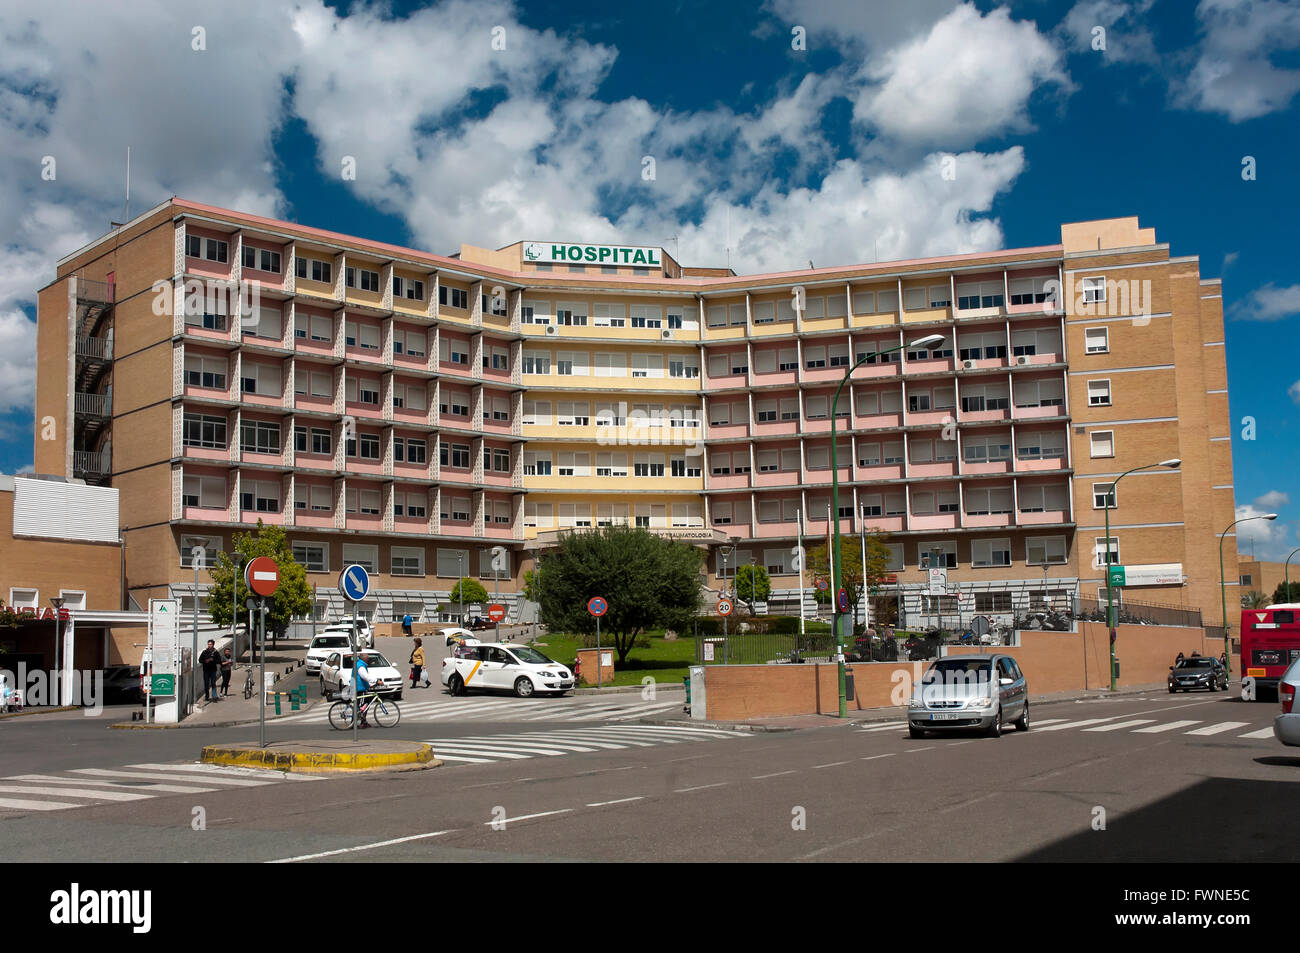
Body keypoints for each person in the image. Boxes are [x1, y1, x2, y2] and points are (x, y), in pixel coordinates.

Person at [352, 652, 372, 727]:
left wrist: (369, 684)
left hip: (357, 687)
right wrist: (376, 681)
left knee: (364, 704)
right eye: (368, 658)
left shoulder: (359, 664)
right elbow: (365, 676)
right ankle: (357, 722)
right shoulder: (361, 666)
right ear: (364, 659)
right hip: (360, 688)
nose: (369, 659)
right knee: (362, 705)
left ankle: (363, 721)